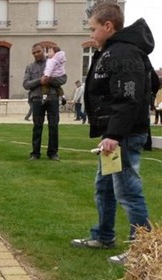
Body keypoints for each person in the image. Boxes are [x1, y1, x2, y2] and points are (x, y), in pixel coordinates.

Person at [70, 2, 154, 265]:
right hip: (115, 134)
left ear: (108, 26)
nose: (91, 33)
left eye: (93, 28)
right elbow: (154, 81)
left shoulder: (124, 53)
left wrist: (114, 135)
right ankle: (103, 235)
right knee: (104, 187)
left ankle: (142, 251)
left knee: (128, 191)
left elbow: (127, 98)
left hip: (123, 136)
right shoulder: (113, 50)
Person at [23, 43, 67, 161]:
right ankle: (35, 153)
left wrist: (50, 80)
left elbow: (63, 79)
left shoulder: (54, 62)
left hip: (52, 99)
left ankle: (52, 153)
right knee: (37, 126)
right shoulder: (30, 67)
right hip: (37, 100)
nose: (36, 54)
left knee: (53, 126)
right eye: (34, 53)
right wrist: (39, 81)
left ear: (43, 51)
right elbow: (26, 84)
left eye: (38, 51)